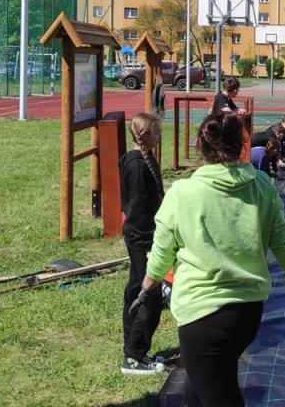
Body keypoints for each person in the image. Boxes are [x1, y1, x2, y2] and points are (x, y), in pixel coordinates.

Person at [131, 112, 285, 406]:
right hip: (247, 313)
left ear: (199, 145)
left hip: (202, 315)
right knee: (199, 390)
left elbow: (162, 251)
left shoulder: (183, 191)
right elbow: (282, 243)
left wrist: (147, 287)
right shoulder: (261, 186)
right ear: (241, 146)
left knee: (218, 394)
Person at [118, 113, 167, 375]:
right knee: (149, 295)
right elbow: (136, 208)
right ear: (145, 135)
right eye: (157, 132)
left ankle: (133, 346)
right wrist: (149, 243)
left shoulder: (142, 161)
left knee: (137, 288)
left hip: (142, 235)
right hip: (142, 237)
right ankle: (134, 356)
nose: (160, 136)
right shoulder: (136, 166)